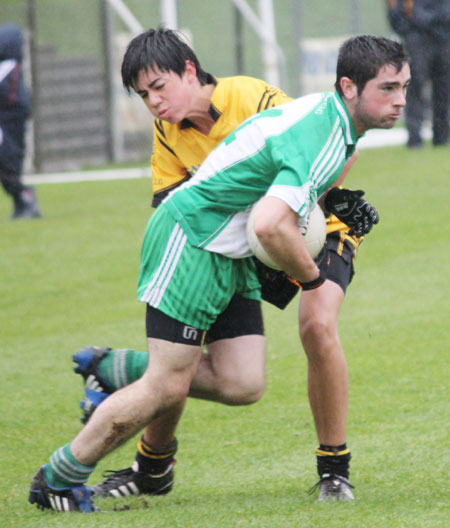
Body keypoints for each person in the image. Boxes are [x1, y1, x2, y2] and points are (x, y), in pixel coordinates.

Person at [28, 34, 409, 513]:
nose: (400, 100)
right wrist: (309, 278)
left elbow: (282, 191)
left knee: (242, 382)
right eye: (389, 88)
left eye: (404, 87)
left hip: (230, 250)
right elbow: (270, 223)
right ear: (350, 88)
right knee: (168, 382)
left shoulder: (309, 115)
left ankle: (116, 371)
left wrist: (323, 202)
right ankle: (60, 478)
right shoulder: (321, 126)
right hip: (193, 242)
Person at [387, 0, 450, 148]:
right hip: (417, 38)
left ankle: (442, 137)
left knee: (443, 89)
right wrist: (408, 29)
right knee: (415, 87)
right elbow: (396, 12)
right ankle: (414, 138)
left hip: (444, 38)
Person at [0, 23, 41, 219]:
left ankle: (25, 200)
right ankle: (21, 202)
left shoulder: (8, 65)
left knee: (8, 163)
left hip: (10, 121)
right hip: (7, 120)